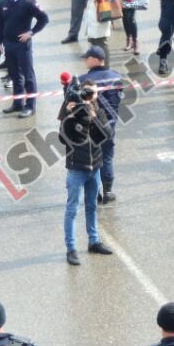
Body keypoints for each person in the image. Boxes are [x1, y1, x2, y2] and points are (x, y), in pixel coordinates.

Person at [57, 77, 113, 265]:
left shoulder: (99, 111)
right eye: (87, 92)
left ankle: (93, 241)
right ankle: (71, 248)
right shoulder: (71, 112)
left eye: (93, 93)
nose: (90, 96)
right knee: (72, 209)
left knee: (92, 206)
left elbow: (107, 135)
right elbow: (63, 139)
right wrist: (70, 115)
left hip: (95, 168)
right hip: (76, 169)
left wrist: (93, 116)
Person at [0, 0, 49, 118]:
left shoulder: (29, 2)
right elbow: (0, 25)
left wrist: (31, 33)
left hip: (22, 45)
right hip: (9, 45)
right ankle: (17, 103)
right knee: (14, 75)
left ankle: (30, 106)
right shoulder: (4, 2)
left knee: (28, 76)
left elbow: (44, 19)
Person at [78, 45, 122, 203]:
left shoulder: (83, 80)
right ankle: (108, 191)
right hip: (108, 125)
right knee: (107, 157)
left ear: (95, 60)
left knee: (92, 159)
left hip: (90, 127)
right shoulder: (116, 76)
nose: (85, 60)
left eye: (87, 58)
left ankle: (94, 193)